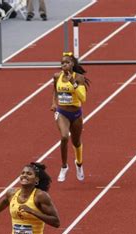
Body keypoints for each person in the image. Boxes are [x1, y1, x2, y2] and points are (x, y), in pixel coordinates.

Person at [50, 52, 90, 182]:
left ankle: (79, 164)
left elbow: (83, 98)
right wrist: (54, 103)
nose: (64, 65)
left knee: (76, 142)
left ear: (72, 64)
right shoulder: (57, 76)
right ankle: (64, 167)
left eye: (66, 63)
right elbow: (55, 90)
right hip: (62, 112)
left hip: (76, 113)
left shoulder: (78, 78)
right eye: (62, 63)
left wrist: (73, 82)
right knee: (64, 136)